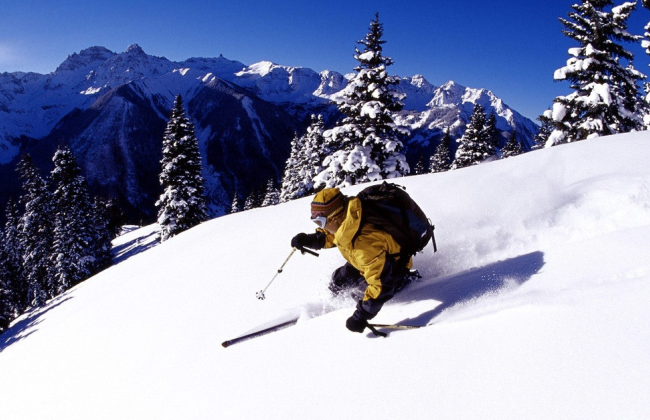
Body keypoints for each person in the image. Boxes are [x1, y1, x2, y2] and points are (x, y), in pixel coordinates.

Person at [291, 187, 419, 334]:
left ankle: (407, 279)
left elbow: (381, 286)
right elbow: (334, 235)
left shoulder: (364, 244)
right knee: (338, 281)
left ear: (335, 217)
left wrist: (361, 316)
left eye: (320, 222)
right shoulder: (348, 218)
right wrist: (310, 240)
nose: (320, 226)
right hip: (363, 263)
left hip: (392, 267)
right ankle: (335, 303)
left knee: (364, 293)